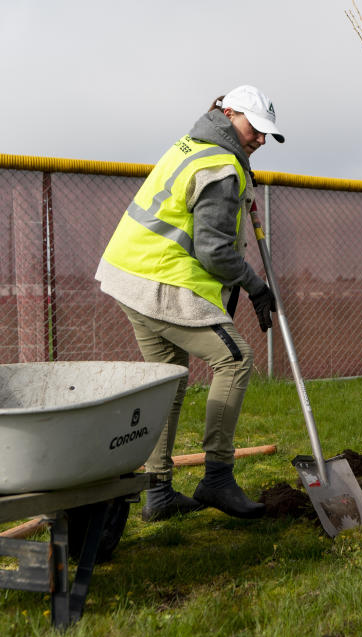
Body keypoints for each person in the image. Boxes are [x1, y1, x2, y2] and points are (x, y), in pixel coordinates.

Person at [95, 85, 284, 521]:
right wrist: (256, 287)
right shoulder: (219, 166)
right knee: (235, 360)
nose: (259, 139)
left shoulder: (193, 146)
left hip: (129, 275)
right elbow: (214, 250)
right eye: (254, 128)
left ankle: (158, 492)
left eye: (266, 134)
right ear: (229, 112)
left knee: (170, 381)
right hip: (161, 280)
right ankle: (217, 476)